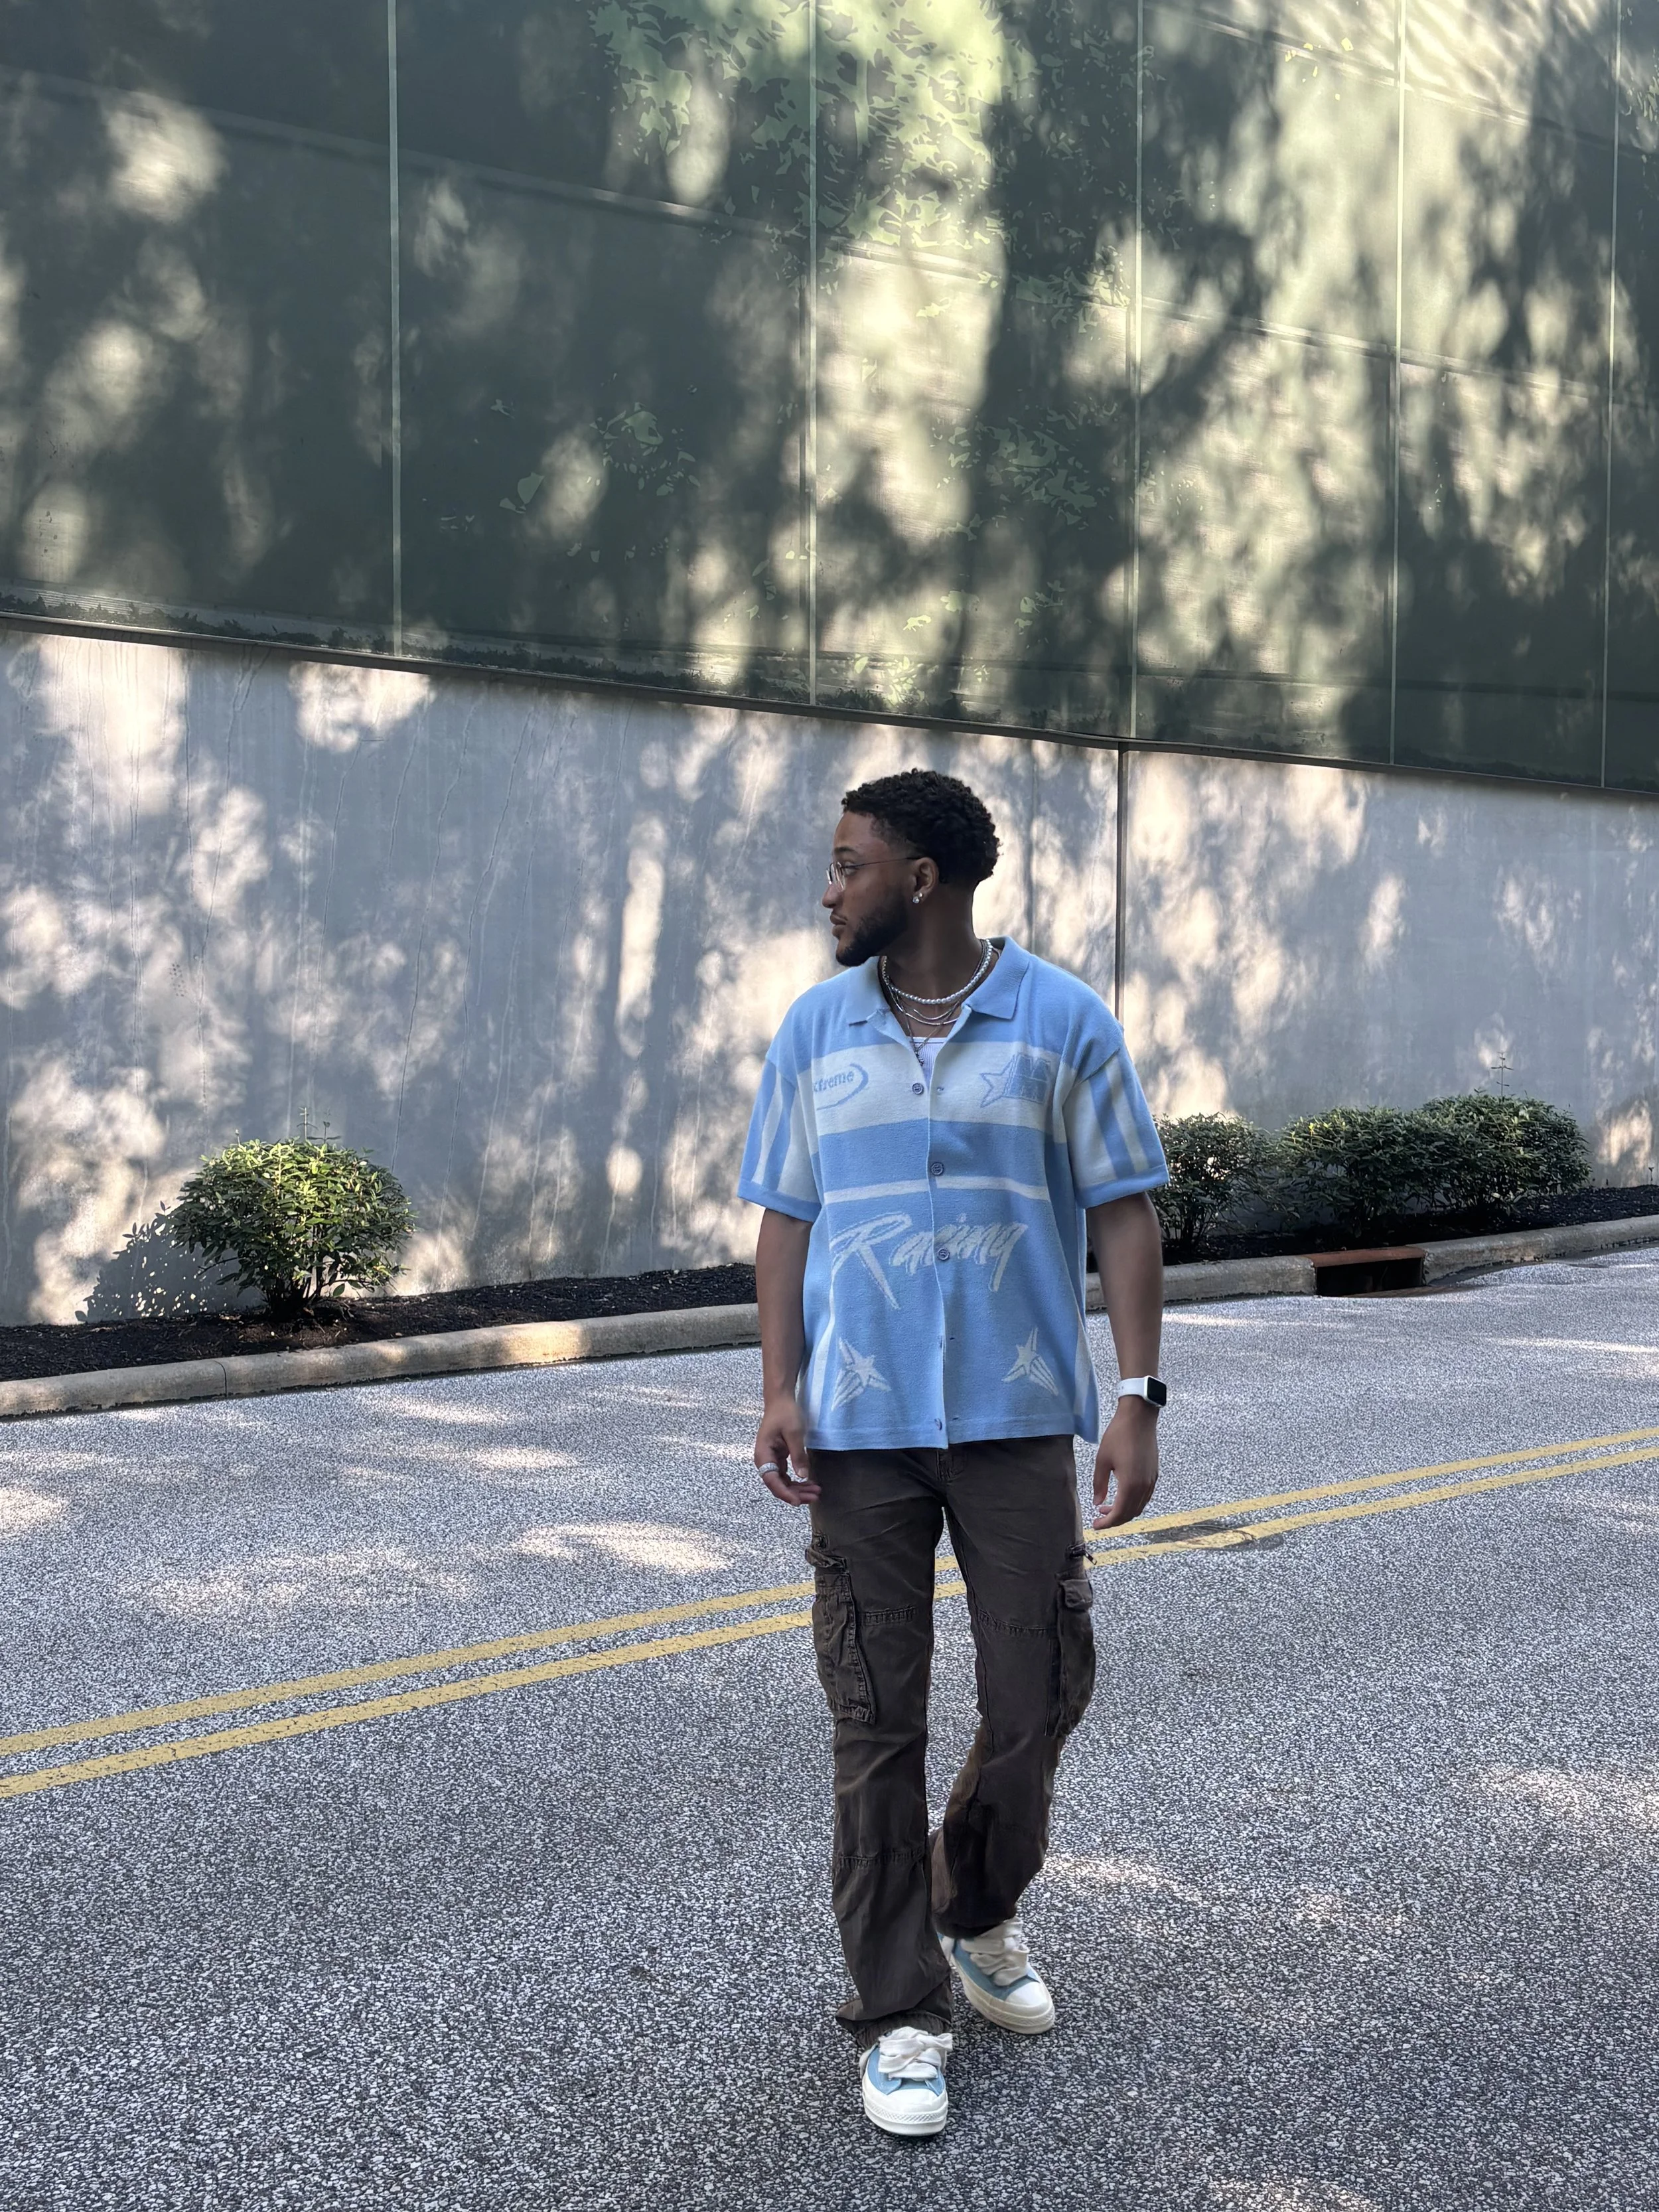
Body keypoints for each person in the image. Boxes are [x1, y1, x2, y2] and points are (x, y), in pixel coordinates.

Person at [739, 767, 1169, 2137]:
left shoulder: (1062, 1020)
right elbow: (786, 1220)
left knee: (1038, 1689)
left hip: (1015, 1417)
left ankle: (972, 1905)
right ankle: (898, 2013)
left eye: (848, 864)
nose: (828, 889)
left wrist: (1138, 1394)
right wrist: (779, 1387)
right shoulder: (815, 1030)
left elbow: (1124, 1209)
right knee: (875, 1718)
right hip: (860, 1432)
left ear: (919, 879)